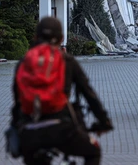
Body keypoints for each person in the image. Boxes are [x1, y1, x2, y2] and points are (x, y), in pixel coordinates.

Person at [11, 16, 113, 165]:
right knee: (93, 151)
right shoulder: (67, 61)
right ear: (61, 39)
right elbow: (88, 94)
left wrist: (16, 128)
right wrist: (104, 121)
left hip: (29, 131)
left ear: (35, 37)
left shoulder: (24, 62)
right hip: (62, 130)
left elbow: (17, 100)